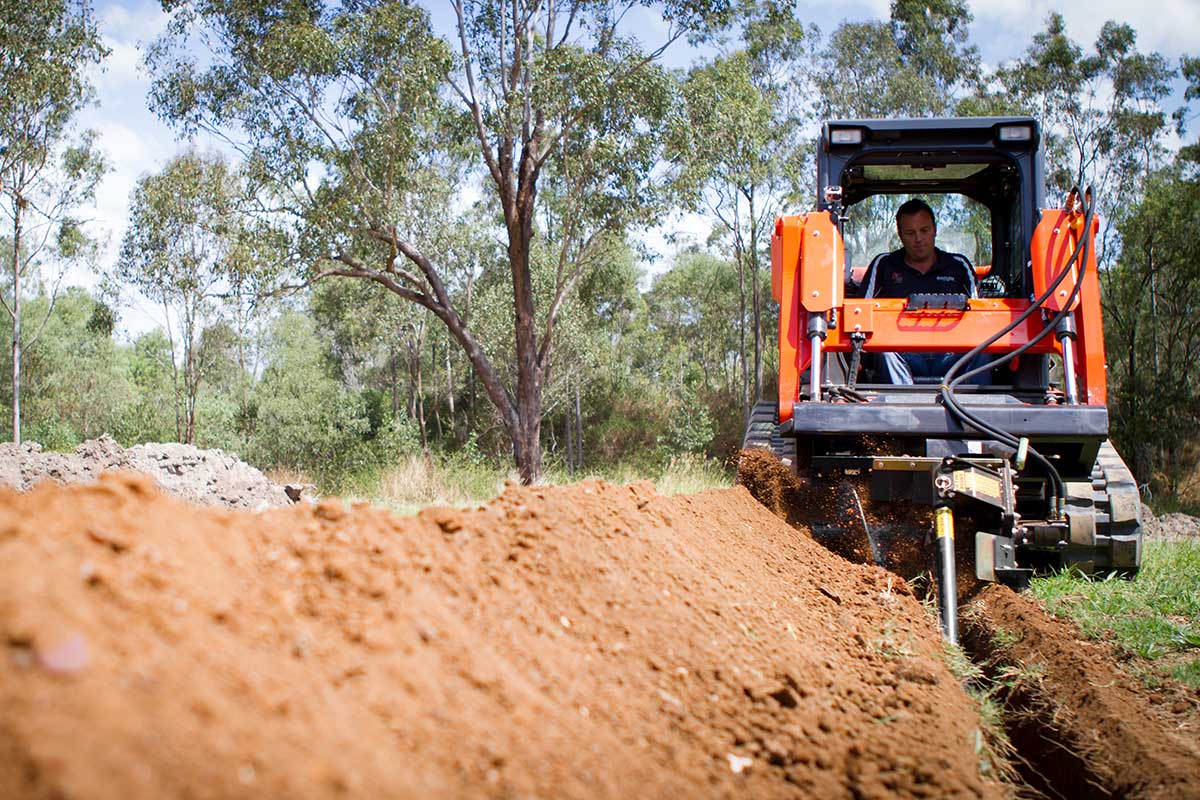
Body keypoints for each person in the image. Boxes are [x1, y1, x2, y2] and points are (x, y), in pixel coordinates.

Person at [859, 198, 990, 385]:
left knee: (984, 348)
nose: (918, 239)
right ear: (900, 235)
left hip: (952, 354)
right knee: (884, 349)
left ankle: (971, 409)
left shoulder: (958, 265)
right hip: (902, 354)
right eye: (910, 233)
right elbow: (858, 313)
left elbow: (981, 316)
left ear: (935, 230)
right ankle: (902, 409)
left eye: (924, 231)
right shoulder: (884, 265)